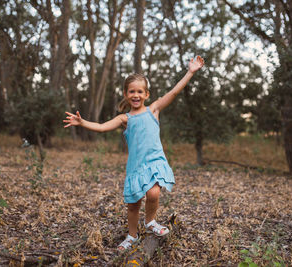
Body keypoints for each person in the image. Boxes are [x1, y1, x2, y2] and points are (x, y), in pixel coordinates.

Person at [63, 56, 205, 251]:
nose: (136, 95)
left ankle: (150, 222)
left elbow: (173, 92)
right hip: (136, 167)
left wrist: (190, 72)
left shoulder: (153, 110)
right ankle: (131, 236)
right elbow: (103, 127)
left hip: (154, 162)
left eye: (140, 91)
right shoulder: (125, 118)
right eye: (132, 91)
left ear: (146, 94)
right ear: (126, 94)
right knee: (133, 205)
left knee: (154, 192)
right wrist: (83, 122)